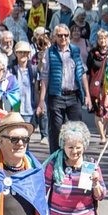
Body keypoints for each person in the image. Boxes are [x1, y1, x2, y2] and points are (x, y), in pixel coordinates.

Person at [38, 24, 89, 155]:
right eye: (60, 35)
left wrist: (87, 94)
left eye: (66, 35)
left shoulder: (75, 51)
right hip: (56, 96)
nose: (63, 38)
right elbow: (44, 76)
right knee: (56, 131)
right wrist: (41, 101)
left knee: (77, 130)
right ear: (55, 37)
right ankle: (55, 161)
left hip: (74, 96)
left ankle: (76, 159)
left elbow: (82, 72)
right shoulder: (50, 52)